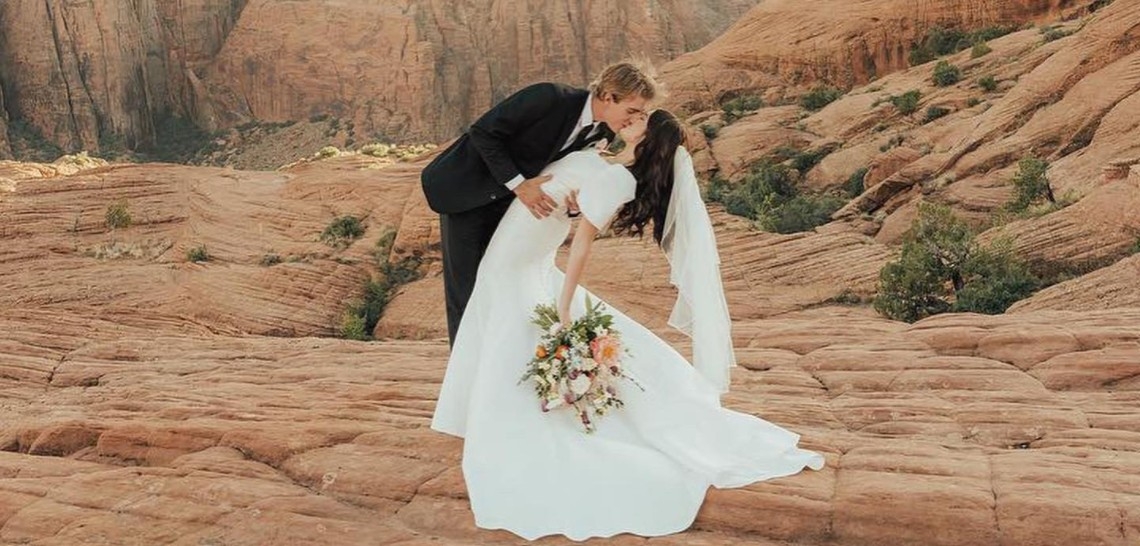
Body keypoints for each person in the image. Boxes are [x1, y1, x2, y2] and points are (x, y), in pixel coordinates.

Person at [431, 109, 825, 541]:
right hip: (517, 251)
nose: (631, 119)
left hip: (524, 256)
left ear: (648, 137)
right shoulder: (606, 159)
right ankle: (492, 415)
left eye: (640, 119)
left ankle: (506, 425)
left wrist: (565, 306)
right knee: (509, 321)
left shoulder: (619, 180)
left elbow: (581, 247)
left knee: (513, 322)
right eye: (632, 113)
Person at [420, 61, 658, 345]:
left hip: (513, 213)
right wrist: (518, 185)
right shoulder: (549, 97)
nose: (631, 120)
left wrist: (572, 206)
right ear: (608, 97)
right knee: (467, 293)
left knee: (498, 284)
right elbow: (483, 132)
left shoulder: (603, 134)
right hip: (469, 193)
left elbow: (563, 173)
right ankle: (466, 379)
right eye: (630, 111)